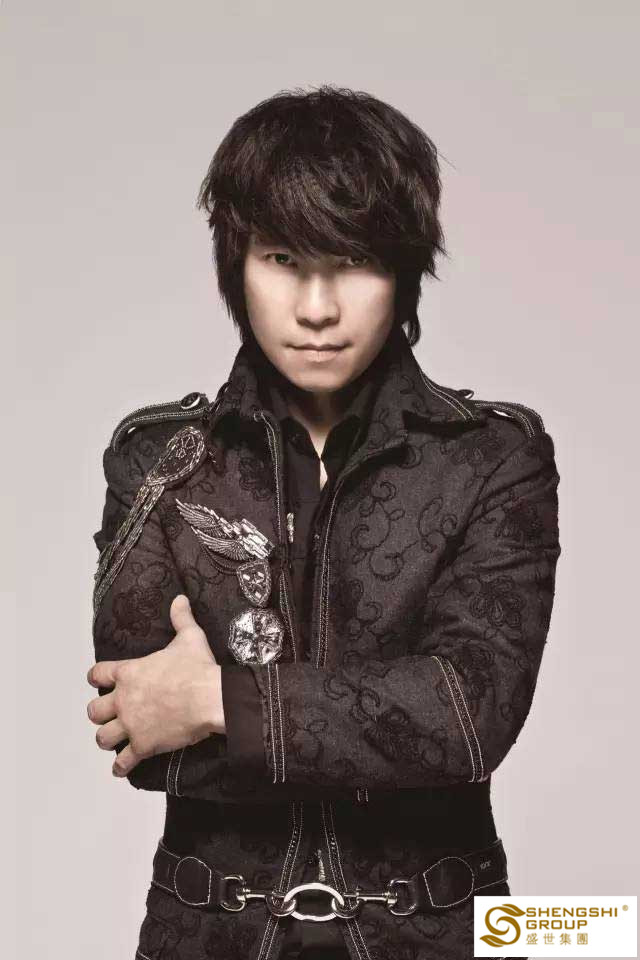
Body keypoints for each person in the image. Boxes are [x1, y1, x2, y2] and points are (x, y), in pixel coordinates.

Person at [86, 85, 561, 960]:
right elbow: (148, 742)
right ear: (236, 265)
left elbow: (467, 718)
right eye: (281, 259)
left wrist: (216, 701)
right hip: (208, 936)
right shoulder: (160, 460)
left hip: (444, 935)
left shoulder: (493, 458)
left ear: (406, 270)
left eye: (354, 262)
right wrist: (377, 711)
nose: (316, 308)